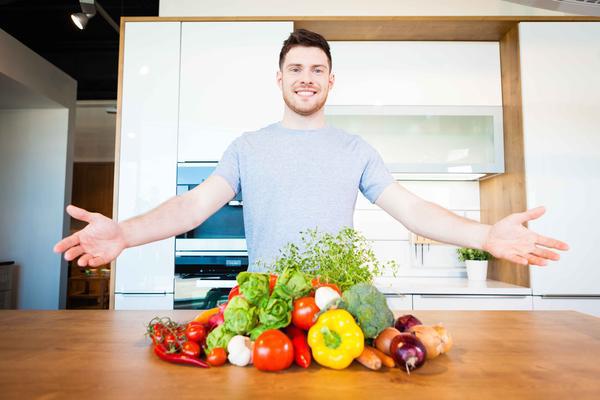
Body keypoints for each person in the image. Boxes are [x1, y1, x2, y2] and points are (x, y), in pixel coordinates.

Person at [54, 29, 568, 272]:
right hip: (265, 304)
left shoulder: (355, 149)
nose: (306, 78)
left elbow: (411, 210)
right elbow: (191, 206)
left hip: (337, 301)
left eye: (316, 69)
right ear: (280, 79)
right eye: (296, 69)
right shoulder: (247, 147)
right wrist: (124, 232)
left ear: (330, 81)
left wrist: (486, 235)